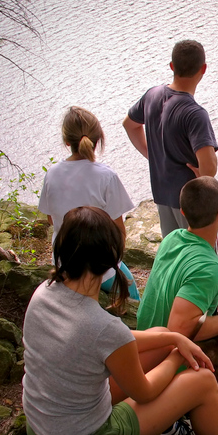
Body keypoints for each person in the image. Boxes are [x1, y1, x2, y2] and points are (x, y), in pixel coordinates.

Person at [21, 206, 218, 435]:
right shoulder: (102, 326)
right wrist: (176, 356)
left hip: (41, 426)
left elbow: (107, 341)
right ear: (111, 259)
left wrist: (172, 337)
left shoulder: (43, 292)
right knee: (203, 381)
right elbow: (144, 391)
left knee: (160, 335)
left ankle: (165, 424)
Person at [136, 176, 218, 342]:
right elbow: (179, 329)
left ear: (183, 211)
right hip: (165, 357)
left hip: (143, 342)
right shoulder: (209, 268)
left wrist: (215, 292)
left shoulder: (172, 239)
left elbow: (179, 281)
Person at [123, 39, 218, 255]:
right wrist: (201, 174)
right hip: (192, 203)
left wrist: (153, 155)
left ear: (172, 66)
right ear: (203, 69)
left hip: (163, 195)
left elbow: (130, 125)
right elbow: (208, 168)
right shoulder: (194, 113)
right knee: (204, 259)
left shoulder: (152, 95)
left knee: (174, 258)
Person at [38, 106, 139, 301]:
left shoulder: (52, 174)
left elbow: (51, 219)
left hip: (64, 263)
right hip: (99, 267)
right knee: (132, 293)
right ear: (98, 139)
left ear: (67, 142)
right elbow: (119, 231)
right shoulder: (106, 176)